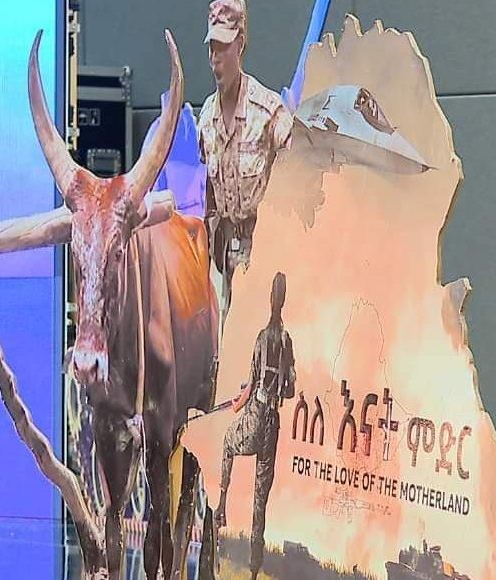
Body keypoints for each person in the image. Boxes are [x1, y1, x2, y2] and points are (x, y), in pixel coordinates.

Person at [199, 0, 293, 326]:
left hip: (267, 264)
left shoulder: (268, 113)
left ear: (240, 43)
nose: (215, 58)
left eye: (223, 47)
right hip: (224, 268)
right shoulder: (206, 119)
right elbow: (209, 198)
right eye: (212, 48)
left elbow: (300, 181)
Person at [216, 272, 296, 579]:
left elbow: (250, 385)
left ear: (271, 298)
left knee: (227, 442)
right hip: (272, 423)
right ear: (283, 300)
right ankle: (253, 569)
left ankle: (221, 505)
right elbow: (289, 390)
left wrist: (239, 402)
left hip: (257, 415)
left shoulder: (263, 338)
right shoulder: (287, 342)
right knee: (259, 501)